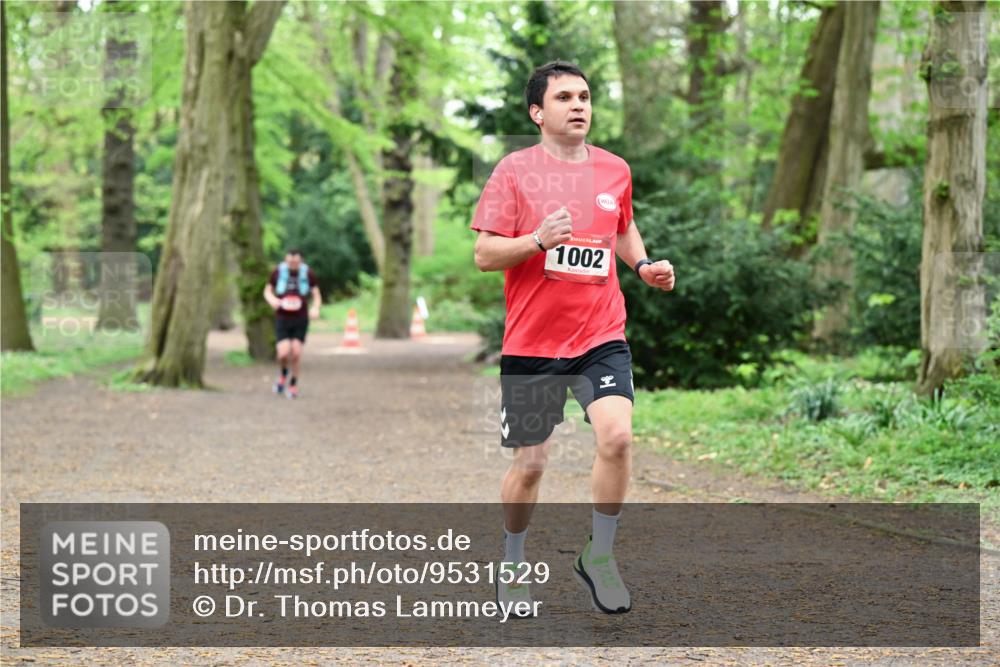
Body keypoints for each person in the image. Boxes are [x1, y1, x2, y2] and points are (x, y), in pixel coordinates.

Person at [471, 61, 675, 615]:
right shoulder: (513, 172)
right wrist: (537, 240)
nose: (579, 105)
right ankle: (513, 561)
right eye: (564, 97)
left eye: (584, 96)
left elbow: (623, 226)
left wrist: (643, 264)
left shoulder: (614, 169)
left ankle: (599, 556)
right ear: (538, 112)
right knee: (531, 465)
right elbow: (485, 254)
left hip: (600, 335)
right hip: (533, 344)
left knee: (617, 438)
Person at [263, 249, 321, 399]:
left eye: (295, 262)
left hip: (300, 318)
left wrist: (315, 307)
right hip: (282, 317)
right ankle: (283, 375)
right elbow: (267, 290)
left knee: (295, 353)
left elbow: (316, 293)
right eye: (289, 261)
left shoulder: (308, 273)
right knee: (282, 353)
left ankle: (293, 385)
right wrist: (272, 300)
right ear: (286, 260)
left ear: (300, 261)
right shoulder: (278, 272)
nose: (292, 264)